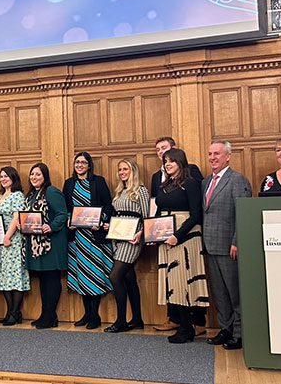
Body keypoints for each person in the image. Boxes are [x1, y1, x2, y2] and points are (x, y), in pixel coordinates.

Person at [150, 136, 205, 335]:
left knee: (184, 280)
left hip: (185, 236)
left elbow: (196, 214)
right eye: (165, 162)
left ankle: (189, 326)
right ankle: (181, 323)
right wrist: (149, 234)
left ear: (180, 161)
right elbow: (158, 210)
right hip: (166, 237)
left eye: (171, 160)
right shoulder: (164, 184)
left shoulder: (190, 182)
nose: (167, 164)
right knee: (172, 281)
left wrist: (178, 236)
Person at [202, 140, 252, 350]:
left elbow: (244, 213)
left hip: (229, 247)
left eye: (217, 154)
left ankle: (240, 334)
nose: (213, 157)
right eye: (210, 154)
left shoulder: (237, 180)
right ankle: (226, 329)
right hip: (210, 246)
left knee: (235, 292)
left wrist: (237, 241)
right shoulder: (205, 182)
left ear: (228, 156)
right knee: (219, 293)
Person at [62, 152, 114, 330]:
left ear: (89, 165)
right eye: (77, 162)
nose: (80, 165)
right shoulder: (69, 184)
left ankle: (95, 315)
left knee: (95, 275)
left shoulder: (98, 181)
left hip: (94, 237)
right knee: (81, 276)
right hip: (76, 238)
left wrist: (101, 219)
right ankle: (86, 313)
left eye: (83, 163)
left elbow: (108, 205)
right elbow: (65, 207)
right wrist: (69, 219)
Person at [104, 158, 149, 333]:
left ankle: (121, 320)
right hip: (118, 238)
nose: (122, 172)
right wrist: (110, 225)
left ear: (133, 171)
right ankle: (137, 319)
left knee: (115, 276)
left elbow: (147, 217)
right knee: (129, 278)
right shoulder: (120, 191)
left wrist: (142, 233)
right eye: (120, 169)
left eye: (125, 169)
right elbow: (119, 214)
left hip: (133, 239)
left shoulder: (141, 191)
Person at [23, 163, 68, 329]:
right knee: (43, 279)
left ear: (45, 177)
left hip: (51, 242)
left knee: (51, 278)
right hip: (37, 244)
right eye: (32, 174)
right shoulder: (32, 194)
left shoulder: (51, 191)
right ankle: (45, 314)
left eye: (38, 175)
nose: (34, 177)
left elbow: (62, 214)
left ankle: (50, 315)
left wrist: (51, 225)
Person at [0, 166, 30, 326]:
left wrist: (7, 236)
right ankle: (10, 312)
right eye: (1, 176)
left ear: (13, 178)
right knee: (4, 276)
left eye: (6, 176)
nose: (3, 179)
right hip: (1, 241)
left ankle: (15, 312)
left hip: (13, 240)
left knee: (15, 276)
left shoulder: (17, 195)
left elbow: (16, 218)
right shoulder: (1, 195)